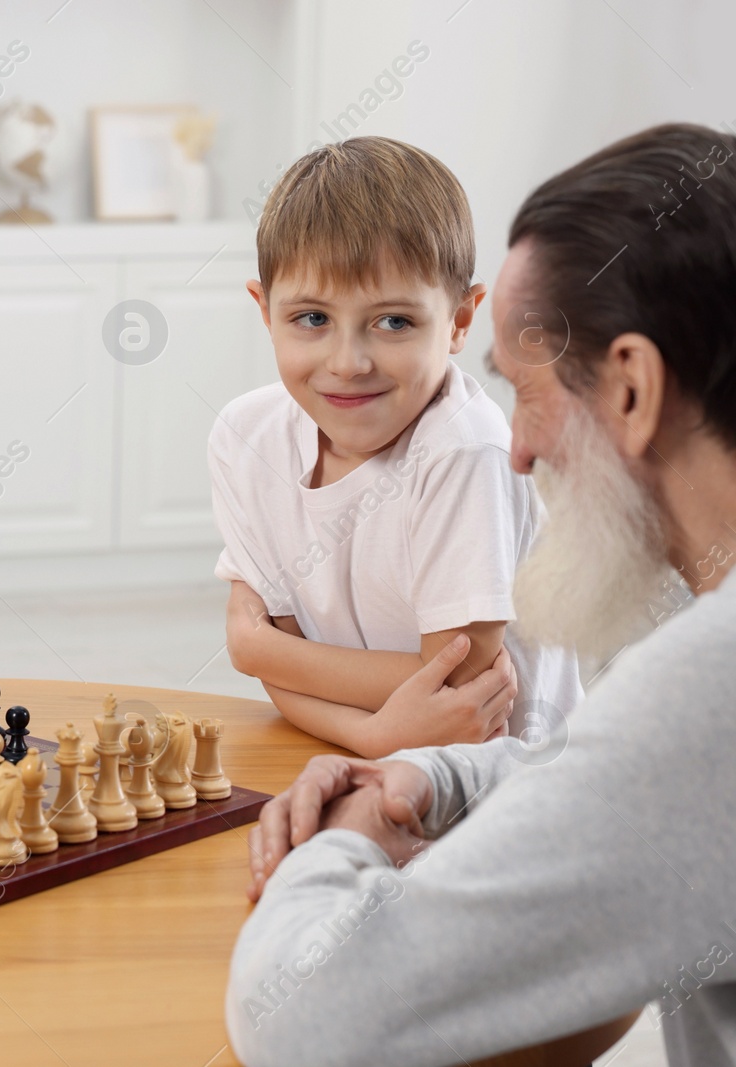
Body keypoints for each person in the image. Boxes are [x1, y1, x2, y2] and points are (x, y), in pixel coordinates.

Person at [228, 122, 736, 1065]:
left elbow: (308, 1024)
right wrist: (429, 776)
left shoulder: (714, 682)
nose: (519, 449)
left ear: (630, 388)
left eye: (526, 391)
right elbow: (627, 783)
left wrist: (342, 840)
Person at [211, 136, 582, 759]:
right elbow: (274, 667)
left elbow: (460, 684)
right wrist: (371, 734)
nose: (348, 363)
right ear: (264, 309)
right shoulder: (247, 437)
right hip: (358, 756)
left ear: (461, 321)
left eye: (394, 322)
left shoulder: (464, 452)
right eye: (311, 319)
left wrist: (262, 649)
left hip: (499, 790)